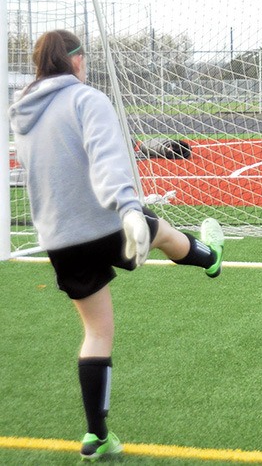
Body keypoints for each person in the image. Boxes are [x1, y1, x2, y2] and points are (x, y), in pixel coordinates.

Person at [8, 29, 225, 461]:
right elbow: (107, 157)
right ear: (76, 60)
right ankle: (210, 256)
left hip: (59, 239)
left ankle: (97, 436)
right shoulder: (87, 99)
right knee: (158, 230)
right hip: (108, 221)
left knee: (97, 331)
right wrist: (127, 207)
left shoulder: (20, 114)